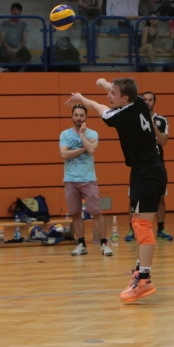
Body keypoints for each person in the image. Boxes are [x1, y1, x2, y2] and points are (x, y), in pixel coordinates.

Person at [65, 77, 168, 302]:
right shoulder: (138, 102)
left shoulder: (121, 116)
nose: (108, 96)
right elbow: (117, 93)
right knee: (138, 223)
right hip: (146, 171)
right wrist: (103, 83)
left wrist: (82, 98)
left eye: (113, 93)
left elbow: (98, 107)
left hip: (148, 174)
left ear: (124, 98)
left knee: (142, 226)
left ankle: (145, 280)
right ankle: (140, 272)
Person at [59, 104, 113, 257]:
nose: (78, 118)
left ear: (86, 117)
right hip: (70, 180)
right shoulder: (65, 134)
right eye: (76, 115)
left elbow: (93, 149)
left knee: (97, 212)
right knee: (75, 213)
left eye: (81, 115)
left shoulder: (93, 133)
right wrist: (84, 148)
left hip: (89, 180)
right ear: (72, 116)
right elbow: (64, 154)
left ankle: (104, 244)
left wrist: (82, 135)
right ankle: (81, 244)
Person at [125, 91, 174, 241]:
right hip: (140, 164)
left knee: (160, 197)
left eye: (150, 100)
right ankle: (132, 230)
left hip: (157, 164)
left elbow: (163, 141)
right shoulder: (134, 118)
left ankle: (161, 229)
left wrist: (152, 126)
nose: (147, 102)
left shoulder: (162, 120)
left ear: (154, 102)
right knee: (134, 197)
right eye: (145, 99)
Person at [0, 2, 31, 71]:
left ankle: (14, 70)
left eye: (17, 10)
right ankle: (10, 69)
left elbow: (24, 40)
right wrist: (8, 48)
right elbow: (2, 39)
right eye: (14, 9)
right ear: (11, 11)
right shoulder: (4, 23)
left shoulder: (24, 24)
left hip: (19, 47)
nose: (15, 12)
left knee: (27, 55)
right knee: (0, 53)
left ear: (20, 12)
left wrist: (17, 49)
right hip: (6, 47)